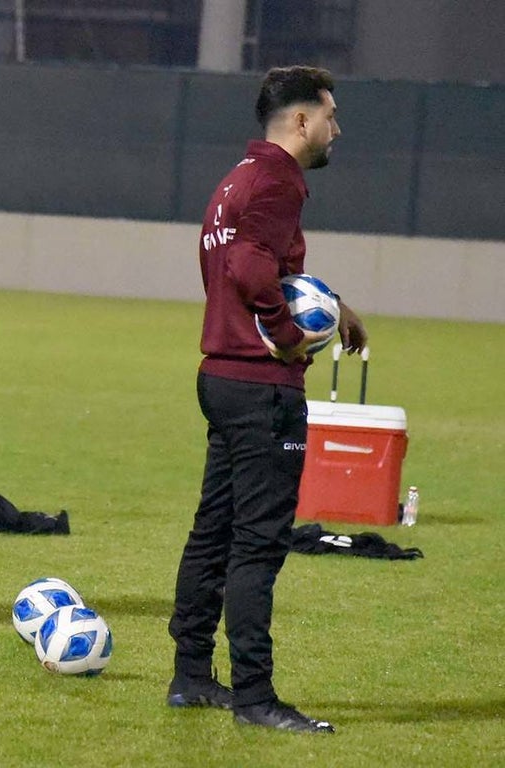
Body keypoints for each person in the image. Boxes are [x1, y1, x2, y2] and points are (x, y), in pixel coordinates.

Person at [166, 66, 367, 734]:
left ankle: (191, 675)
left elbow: (250, 267)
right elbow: (252, 270)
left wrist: (333, 306)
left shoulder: (238, 180)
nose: (337, 127)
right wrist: (286, 339)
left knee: (212, 531)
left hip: (220, 375)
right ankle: (255, 697)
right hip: (262, 388)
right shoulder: (282, 179)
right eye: (331, 115)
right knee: (258, 544)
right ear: (301, 120)